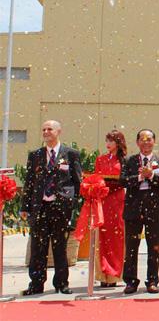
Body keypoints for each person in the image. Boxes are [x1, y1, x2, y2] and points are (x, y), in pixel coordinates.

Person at [20, 120, 82, 295]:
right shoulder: (36, 155)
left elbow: (77, 181)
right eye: (44, 129)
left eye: (50, 129)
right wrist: (25, 206)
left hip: (60, 207)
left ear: (58, 131)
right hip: (40, 207)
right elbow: (29, 182)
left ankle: (62, 283)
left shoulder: (70, 154)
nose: (46, 132)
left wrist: (72, 204)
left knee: (59, 247)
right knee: (38, 248)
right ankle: (36, 284)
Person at [120, 129, 159, 294]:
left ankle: (152, 280)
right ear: (137, 142)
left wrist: (152, 176)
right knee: (131, 247)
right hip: (133, 209)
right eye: (142, 139)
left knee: (153, 247)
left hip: (153, 210)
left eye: (149, 139)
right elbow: (123, 181)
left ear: (154, 142)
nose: (146, 142)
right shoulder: (129, 161)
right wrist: (140, 177)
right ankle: (130, 281)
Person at [94, 130, 127, 287]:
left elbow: (126, 180)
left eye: (111, 141)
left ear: (119, 143)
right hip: (103, 199)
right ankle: (103, 274)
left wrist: (116, 183)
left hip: (118, 200)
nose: (108, 144)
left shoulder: (125, 160)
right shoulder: (100, 159)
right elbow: (96, 178)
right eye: (107, 140)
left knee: (117, 236)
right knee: (102, 235)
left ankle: (115, 274)